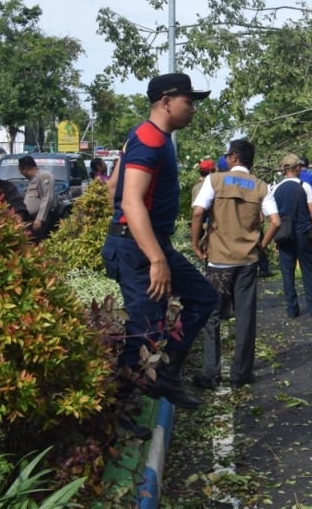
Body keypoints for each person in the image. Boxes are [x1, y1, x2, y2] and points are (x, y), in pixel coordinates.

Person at [101, 72, 218, 410]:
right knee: (144, 333)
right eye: (188, 101)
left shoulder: (146, 136)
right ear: (167, 102)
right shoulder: (150, 139)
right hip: (139, 250)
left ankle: (166, 375)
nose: (193, 108)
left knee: (203, 297)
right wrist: (155, 258)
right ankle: (118, 413)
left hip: (144, 242)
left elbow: (113, 187)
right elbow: (130, 200)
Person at [190, 139, 274, 389]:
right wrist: (261, 245)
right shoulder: (260, 186)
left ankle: (210, 373)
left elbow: (198, 212)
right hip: (247, 260)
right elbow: (276, 221)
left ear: (234, 157)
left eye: (228, 155)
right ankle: (241, 374)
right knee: (245, 316)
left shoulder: (214, 180)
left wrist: (195, 245)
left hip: (218, 261)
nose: (226, 159)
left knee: (212, 315)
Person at [269, 153, 312, 318]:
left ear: (284, 169)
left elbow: (272, 216)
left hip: (284, 235)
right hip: (303, 233)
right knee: (309, 270)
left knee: (287, 272)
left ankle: (292, 309)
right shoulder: (304, 186)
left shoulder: (275, 188)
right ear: (298, 168)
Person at [18, 155, 58, 242]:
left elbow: (48, 197)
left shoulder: (44, 176)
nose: (21, 174)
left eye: (21, 171)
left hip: (43, 219)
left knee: (41, 242)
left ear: (25, 168)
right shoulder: (32, 180)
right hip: (32, 219)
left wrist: (40, 218)